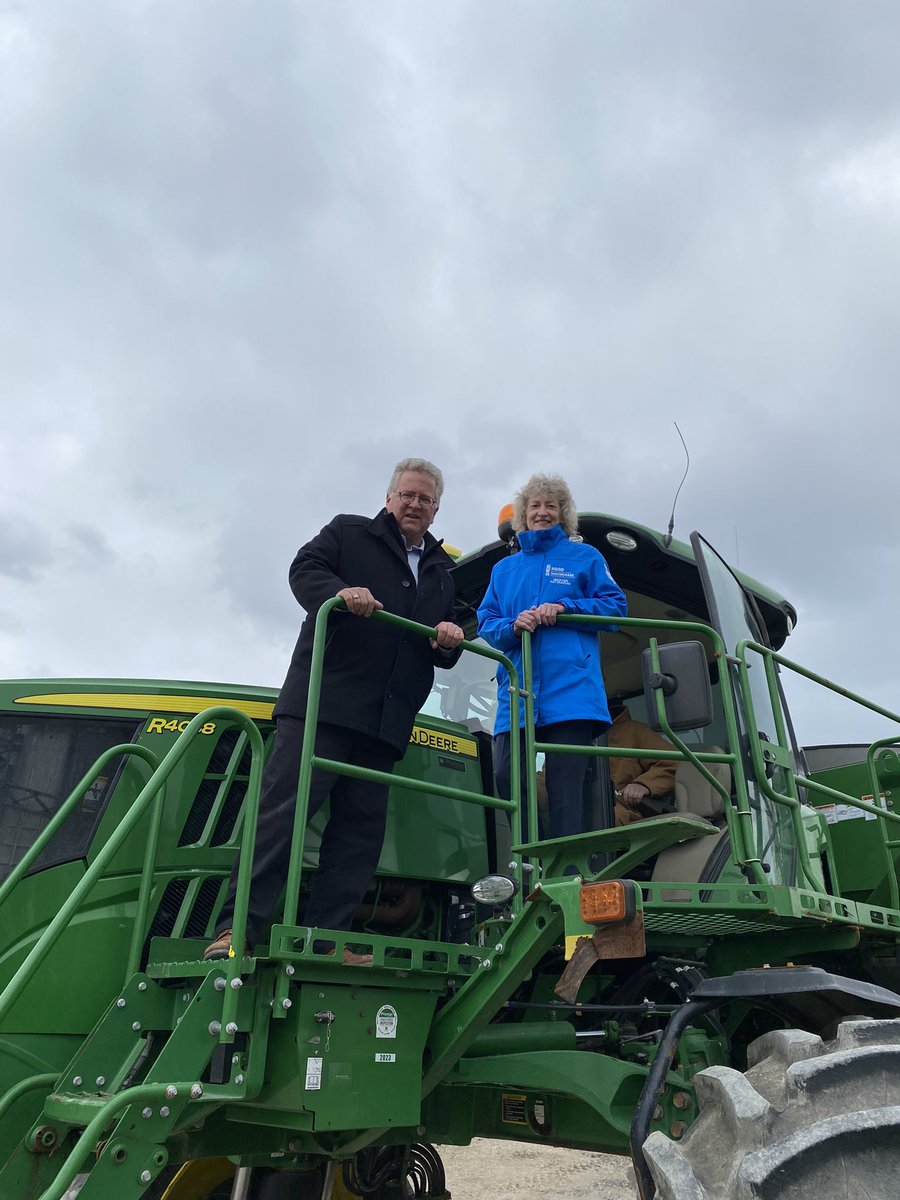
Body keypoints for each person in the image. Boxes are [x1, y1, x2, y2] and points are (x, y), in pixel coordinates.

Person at [205, 458, 465, 963]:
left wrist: (454, 636)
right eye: (407, 495)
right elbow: (305, 570)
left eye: (425, 499)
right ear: (389, 498)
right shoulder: (348, 533)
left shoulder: (442, 571)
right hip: (322, 705)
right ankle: (235, 930)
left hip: (386, 721)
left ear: (437, 509)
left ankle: (327, 942)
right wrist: (340, 592)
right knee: (283, 816)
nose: (415, 505)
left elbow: (456, 628)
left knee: (358, 838)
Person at [476, 473, 627, 842]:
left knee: (565, 789)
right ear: (523, 515)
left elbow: (615, 607)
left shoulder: (585, 557)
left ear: (563, 514)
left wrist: (565, 606)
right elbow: (486, 623)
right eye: (535, 506)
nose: (542, 512)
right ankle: (528, 866)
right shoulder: (503, 570)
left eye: (550, 506)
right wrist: (513, 625)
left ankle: (566, 874)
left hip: (571, 691)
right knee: (506, 777)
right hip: (517, 693)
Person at [608, 702, 677, 825]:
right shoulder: (571, 737)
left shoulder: (634, 731)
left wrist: (643, 785)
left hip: (621, 815)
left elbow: (674, 763)